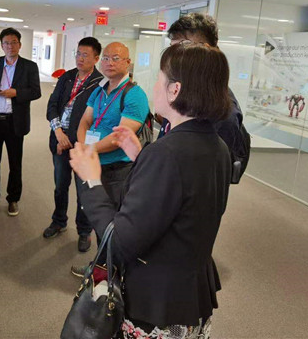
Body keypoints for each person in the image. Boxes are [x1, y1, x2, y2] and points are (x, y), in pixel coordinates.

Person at [69, 43, 233, 339]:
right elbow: (183, 199)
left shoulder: (167, 153)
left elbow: (119, 243)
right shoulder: (217, 146)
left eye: (159, 79)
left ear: (175, 90)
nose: (155, 87)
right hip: (189, 294)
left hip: (157, 303)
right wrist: (143, 155)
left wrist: (91, 181)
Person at [71, 42, 149, 276]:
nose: (109, 63)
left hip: (117, 170)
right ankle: (103, 268)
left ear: (128, 63)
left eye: (116, 58)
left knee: (111, 223)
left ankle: (109, 273)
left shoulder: (134, 94)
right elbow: (85, 121)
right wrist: (83, 147)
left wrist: (89, 150)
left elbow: (119, 138)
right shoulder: (99, 90)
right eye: (105, 58)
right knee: (97, 218)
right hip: (93, 165)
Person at [167, 13, 249, 179]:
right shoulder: (184, 94)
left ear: (205, 51)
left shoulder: (223, 112)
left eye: (182, 48)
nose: (174, 58)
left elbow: (208, 180)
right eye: (172, 49)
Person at [43, 37, 104, 253]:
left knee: (83, 190)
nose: (80, 58)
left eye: (85, 55)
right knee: (60, 185)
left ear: (96, 58)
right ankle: (59, 221)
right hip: (60, 140)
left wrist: (77, 142)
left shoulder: (100, 83)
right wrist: (58, 132)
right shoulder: (67, 77)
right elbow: (52, 105)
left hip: (82, 146)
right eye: (78, 53)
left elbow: (97, 119)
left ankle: (84, 230)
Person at [0, 27, 41, 216]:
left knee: (15, 162)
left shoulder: (29, 66)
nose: (10, 46)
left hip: (15, 120)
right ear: (1, 45)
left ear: (20, 45)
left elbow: (36, 92)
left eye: (14, 42)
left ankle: (13, 199)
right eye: (6, 43)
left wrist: (17, 93)